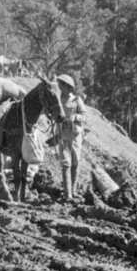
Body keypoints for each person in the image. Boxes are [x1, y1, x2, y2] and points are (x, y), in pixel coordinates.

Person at [55, 74, 85, 202]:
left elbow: (84, 115)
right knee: (66, 164)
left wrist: (76, 117)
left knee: (75, 162)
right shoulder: (57, 100)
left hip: (76, 135)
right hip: (63, 135)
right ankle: (68, 194)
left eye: (63, 85)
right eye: (60, 85)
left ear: (68, 87)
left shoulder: (76, 100)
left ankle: (73, 190)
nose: (61, 87)